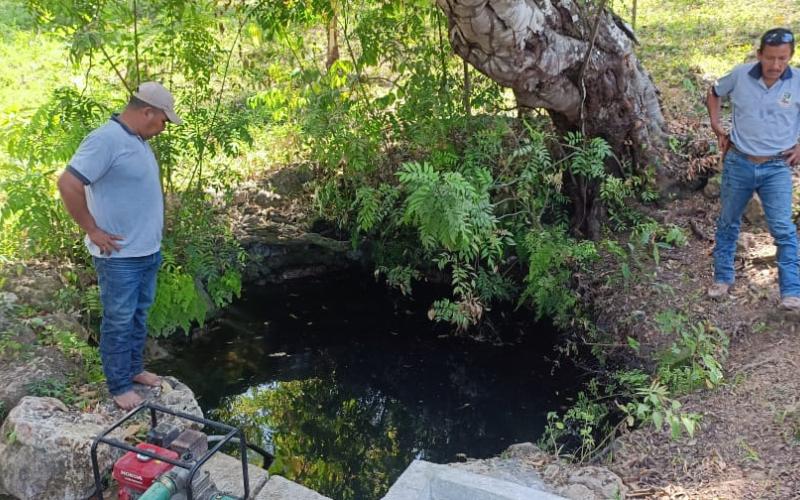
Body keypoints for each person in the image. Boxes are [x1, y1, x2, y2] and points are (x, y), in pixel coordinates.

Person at [57, 82, 182, 409]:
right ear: (146, 112)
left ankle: (134, 370)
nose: (164, 127)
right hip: (120, 257)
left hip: (146, 253)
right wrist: (92, 229)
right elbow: (68, 183)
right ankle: (119, 385)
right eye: (163, 120)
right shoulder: (105, 139)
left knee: (139, 316)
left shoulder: (137, 140)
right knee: (119, 319)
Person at [707, 28, 800, 310]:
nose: (775, 65)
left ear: (790, 56)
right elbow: (713, 93)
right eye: (770, 58)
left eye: (782, 58)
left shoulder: (797, 81)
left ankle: (791, 291)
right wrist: (716, 125)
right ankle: (722, 278)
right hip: (739, 161)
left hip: (777, 166)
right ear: (759, 54)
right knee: (728, 221)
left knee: (783, 228)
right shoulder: (740, 74)